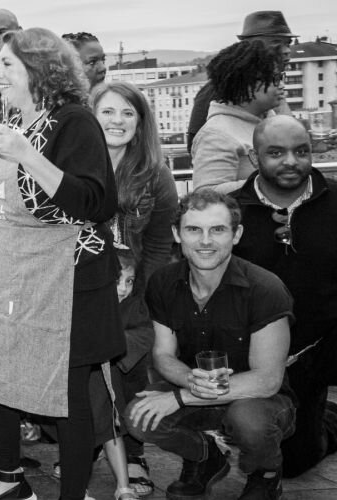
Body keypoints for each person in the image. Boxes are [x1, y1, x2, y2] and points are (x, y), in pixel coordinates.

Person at [0, 27, 121, 500]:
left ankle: (72, 494)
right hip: (15, 278)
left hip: (69, 282)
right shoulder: (16, 120)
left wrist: (26, 156)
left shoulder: (74, 121)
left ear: (38, 69)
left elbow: (97, 201)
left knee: (65, 393)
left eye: (7, 64)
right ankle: (11, 482)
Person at [128, 189, 295, 500]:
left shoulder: (265, 288)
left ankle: (266, 473)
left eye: (217, 229)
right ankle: (206, 456)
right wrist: (189, 379)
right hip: (197, 387)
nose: (205, 241)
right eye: (194, 229)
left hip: (259, 399)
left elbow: (267, 380)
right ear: (177, 234)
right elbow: (163, 354)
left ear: (236, 234)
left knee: (248, 420)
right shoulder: (163, 282)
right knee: (137, 416)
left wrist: (182, 396)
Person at [231, 115, 337, 478]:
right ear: (254, 156)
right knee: (263, 441)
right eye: (276, 152)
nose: (290, 161)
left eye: (301, 151)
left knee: (296, 462)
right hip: (251, 355)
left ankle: (323, 420)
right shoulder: (229, 212)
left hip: (319, 350)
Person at [90, 81, 180, 498]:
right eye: (108, 111)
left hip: (134, 296)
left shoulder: (156, 175)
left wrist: (143, 298)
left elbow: (161, 244)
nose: (118, 121)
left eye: (128, 113)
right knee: (85, 376)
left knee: (129, 378)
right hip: (83, 293)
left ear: (140, 122)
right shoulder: (74, 166)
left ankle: (135, 456)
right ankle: (86, 449)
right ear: (91, 116)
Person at [186, 11, 297, 147]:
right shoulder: (222, 89)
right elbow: (197, 145)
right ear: (249, 45)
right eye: (276, 42)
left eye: (288, 44)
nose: (287, 50)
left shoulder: (275, 88)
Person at [191, 39, 287, 193]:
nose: (282, 85)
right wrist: (270, 184)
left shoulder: (272, 121)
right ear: (247, 83)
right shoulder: (216, 135)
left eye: (281, 77)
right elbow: (206, 194)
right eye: (275, 79)